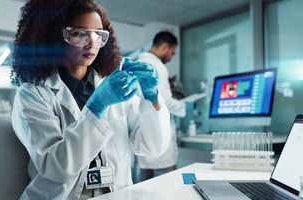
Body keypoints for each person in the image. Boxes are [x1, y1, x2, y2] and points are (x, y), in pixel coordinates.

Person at [10, 0, 171, 199]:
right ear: (54, 36)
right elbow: (56, 167)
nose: (92, 42)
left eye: (98, 34)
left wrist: (152, 96)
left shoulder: (113, 87)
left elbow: (152, 147)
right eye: (80, 33)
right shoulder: (33, 94)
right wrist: (97, 106)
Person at [136, 31, 186, 182]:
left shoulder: (139, 62)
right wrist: (184, 106)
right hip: (160, 144)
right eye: (172, 52)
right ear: (165, 47)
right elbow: (165, 101)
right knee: (165, 191)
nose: (170, 57)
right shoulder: (157, 66)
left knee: (142, 191)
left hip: (144, 143)